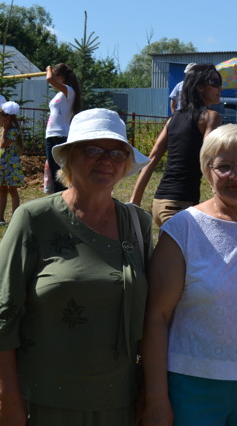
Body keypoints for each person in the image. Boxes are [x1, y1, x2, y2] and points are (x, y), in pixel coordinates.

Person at [0, 108, 151, 425]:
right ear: (68, 157)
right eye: (92, 149)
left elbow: (154, 318)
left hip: (118, 402)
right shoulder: (33, 219)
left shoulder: (138, 224)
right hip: (44, 400)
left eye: (116, 152)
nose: (105, 160)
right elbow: (4, 315)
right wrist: (8, 398)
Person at [140, 124, 237, 426]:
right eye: (223, 166)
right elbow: (156, 318)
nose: (235, 175)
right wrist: (156, 399)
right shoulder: (182, 230)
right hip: (193, 386)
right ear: (207, 172)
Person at [131, 64, 222, 227]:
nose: (219, 87)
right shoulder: (210, 117)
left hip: (159, 205)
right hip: (179, 206)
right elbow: (210, 159)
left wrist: (134, 201)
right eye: (214, 82)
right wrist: (221, 200)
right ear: (200, 87)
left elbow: (150, 159)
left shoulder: (173, 119)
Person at [45, 63, 82, 193]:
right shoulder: (60, 94)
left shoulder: (69, 90)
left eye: (55, 76)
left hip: (59, 136)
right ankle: (60, 199)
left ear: (60, 77)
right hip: (52, 136)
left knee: (59, 175)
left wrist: (49, 69)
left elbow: (49, 79)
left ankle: (63, 200)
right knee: (54, 174)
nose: (53, 79)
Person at [0, 101, 23, 225]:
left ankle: (15, 217)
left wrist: (5, 129)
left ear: (7, 117)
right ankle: (1, 217)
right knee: (2, 189)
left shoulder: (12, 131)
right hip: (2, 164)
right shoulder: (2, 129)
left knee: (12, 190)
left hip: (12, 165)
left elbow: (3, 144)